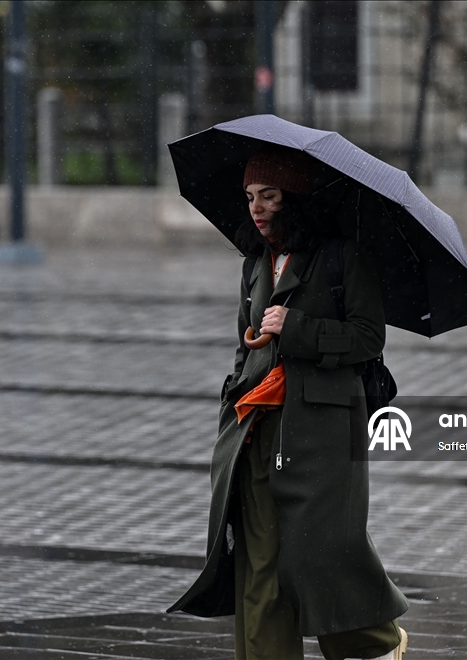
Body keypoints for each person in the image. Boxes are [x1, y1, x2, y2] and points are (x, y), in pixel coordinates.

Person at [169, 146, 408, 660]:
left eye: (269, 196)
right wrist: (235, 393)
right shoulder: (256, 262)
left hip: (323, 428)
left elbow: (368, 338)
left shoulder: (344, 256)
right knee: (260, 561)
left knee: (321, 553)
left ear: (295, 198)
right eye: (251, 197)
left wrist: (297, 328)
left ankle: (376, 642)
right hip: (257, 426)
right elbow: (244, 342)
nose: (256, 208)